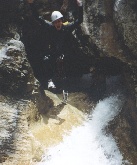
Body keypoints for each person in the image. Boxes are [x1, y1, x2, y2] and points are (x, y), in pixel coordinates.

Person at [27, 0, 83, 90]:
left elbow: (79, 20)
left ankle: (70, 84)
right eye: (55, 22)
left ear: (62, 21)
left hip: (65, 51)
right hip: (53, 52)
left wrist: (80, 5)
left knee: (71, 61)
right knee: (46, 60)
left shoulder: (67, 28)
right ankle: (49, 81)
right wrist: (31, 4)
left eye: (59, 21)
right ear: (53, 23)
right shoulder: (49, 27)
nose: (58, 24)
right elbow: (37, 17)